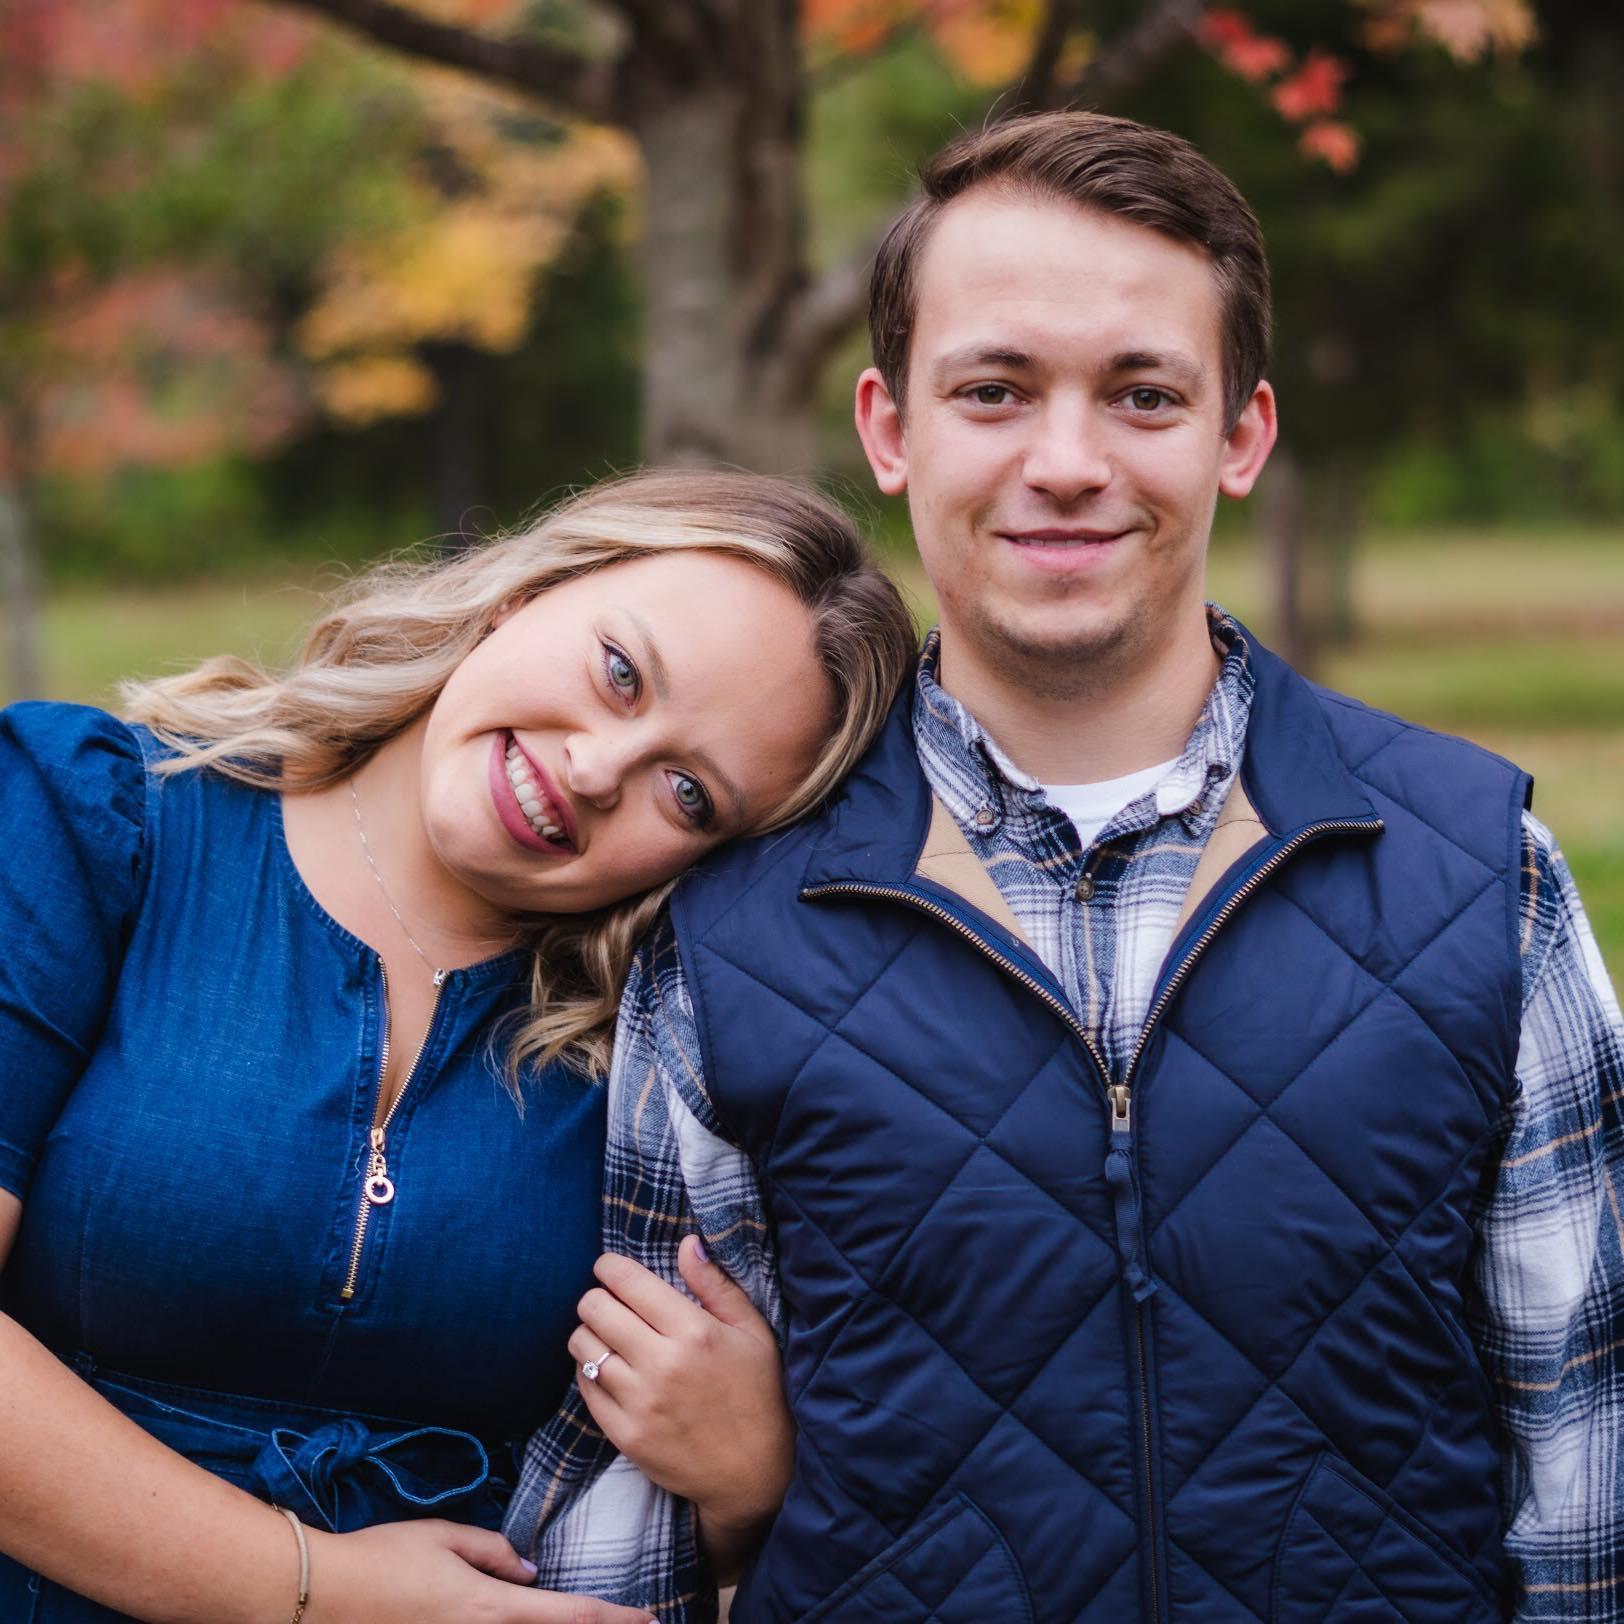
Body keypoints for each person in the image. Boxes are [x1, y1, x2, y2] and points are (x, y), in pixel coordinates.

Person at [510, 114, 1624, 1621]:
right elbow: (631, 1512)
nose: (1068, 463)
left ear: (1242, 435)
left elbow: (1591, 1453)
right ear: (892, 428)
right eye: (996, 391)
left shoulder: (1480, 875)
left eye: (1145, 395)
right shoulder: (731, 928)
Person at [0, 469, 918, 1623]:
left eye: (686, 792)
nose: (594, 770)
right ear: (523, 595)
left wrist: (751, 1484)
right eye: (619, 673)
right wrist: (312, 1589)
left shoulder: (658, 1059)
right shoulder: (99, 820)